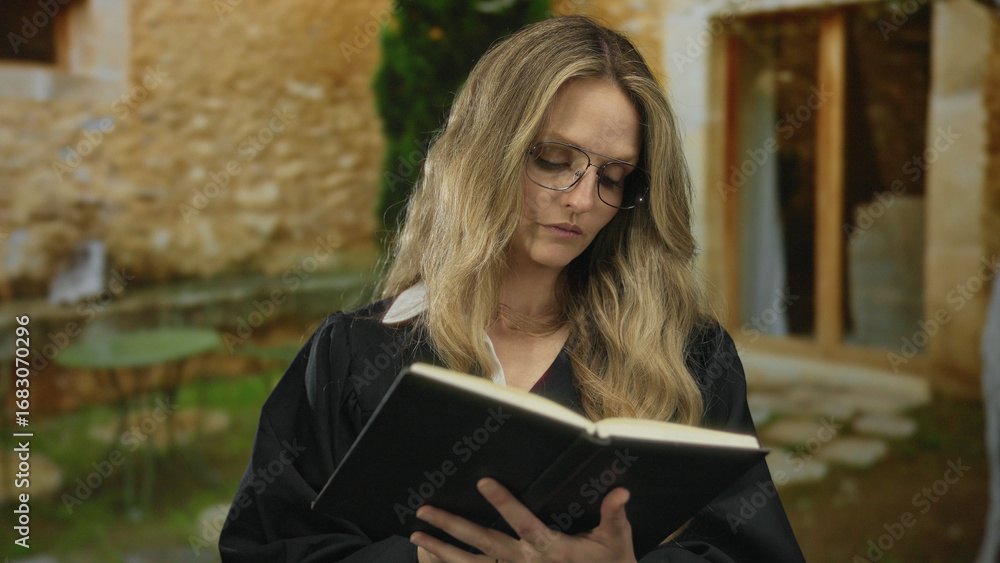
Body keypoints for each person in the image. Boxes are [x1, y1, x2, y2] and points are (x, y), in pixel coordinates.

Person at [219, 15, 806, 563]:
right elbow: (266, 545)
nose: (581, 200)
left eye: (613, 176)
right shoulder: (353, 355)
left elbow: (753, 550)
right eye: (554, 159)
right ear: (484, 152)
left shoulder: (691, 359)